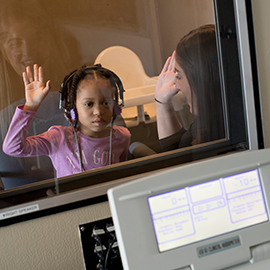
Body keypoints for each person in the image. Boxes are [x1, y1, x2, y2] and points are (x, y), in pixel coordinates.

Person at [2, 64, 131, 178]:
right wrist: (31, 106)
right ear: (72, 108)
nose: (98, 111)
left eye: (105, 103)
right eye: (89, 104)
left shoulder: (122, 137)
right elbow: (12, 148)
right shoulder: (58, 138)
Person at [155, 24, 224, 152]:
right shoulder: (209, 121)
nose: (177, 86)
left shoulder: (223, 132)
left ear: (201, 78)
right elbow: (179, 152)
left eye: (179, 76)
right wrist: (162, 102)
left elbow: (179, 163)